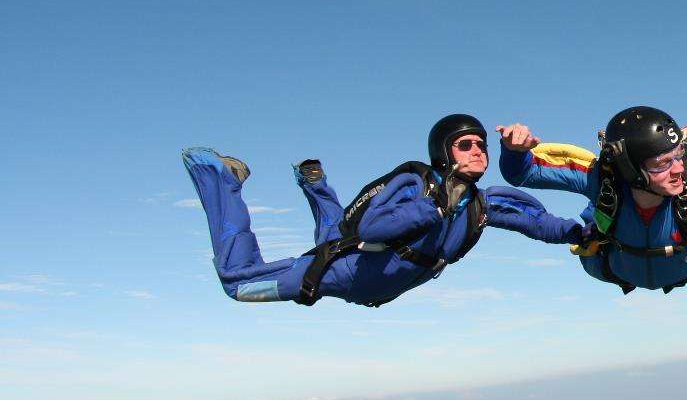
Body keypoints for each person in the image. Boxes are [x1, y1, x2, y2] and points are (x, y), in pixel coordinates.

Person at [181, 113, 587, 307]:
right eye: (466, 145)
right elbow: (374, 227)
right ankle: (218, 174)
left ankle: (314, 183)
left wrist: (579, 234)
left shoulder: (481, 204)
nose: (478, 150)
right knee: (239, 285)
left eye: (481, 144)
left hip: (374, 281)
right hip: (344, 273)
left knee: (332, 231)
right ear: (444, 153)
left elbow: (536, 223)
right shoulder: (415, 184)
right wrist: (434, 207)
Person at [497, 106, 687, 294]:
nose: (679, 170)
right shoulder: (603, 180)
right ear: (630, 169)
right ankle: (597, 221)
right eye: (662, 163)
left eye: (679, 156)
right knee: (596, 217)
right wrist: (514, 151)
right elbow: (524, 174)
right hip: (612, 268)